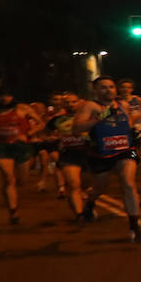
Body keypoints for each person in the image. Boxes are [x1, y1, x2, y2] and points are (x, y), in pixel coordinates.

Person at [73, 77, 141, 241]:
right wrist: (100, 117)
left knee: (128, 183)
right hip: (101, 154)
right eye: (103, 88)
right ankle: (90, 202)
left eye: (111, 87)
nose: (108, 90)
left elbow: (128, 122)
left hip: (125, 150)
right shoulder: (90, 106)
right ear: (96, 90)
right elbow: (76, 128)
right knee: (100, 189)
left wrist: (136, 132)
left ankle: (134, 227)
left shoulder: (123, 105)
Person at [0, 90, 44, 224]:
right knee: (8, 178)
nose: (5, 98)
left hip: (21, 147)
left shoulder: (22, 109)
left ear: (12, 96)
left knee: (21, 181)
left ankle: (14, 198)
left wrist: (29, 134)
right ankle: (13, 211)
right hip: (2, 147)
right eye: (1, 96)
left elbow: (41, 123)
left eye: (7, 95)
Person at [51, 92, 90, 220]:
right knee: (73, 185)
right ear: (63, 104)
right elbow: (44, 130)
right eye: (67, 102)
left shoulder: (89, 117)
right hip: (69, 155)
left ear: (79, 102)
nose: (70, 105)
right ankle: (79, 215)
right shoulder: (57, 119)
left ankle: (88, 207)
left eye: (73, 102)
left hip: (89, 155)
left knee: (86, 186)